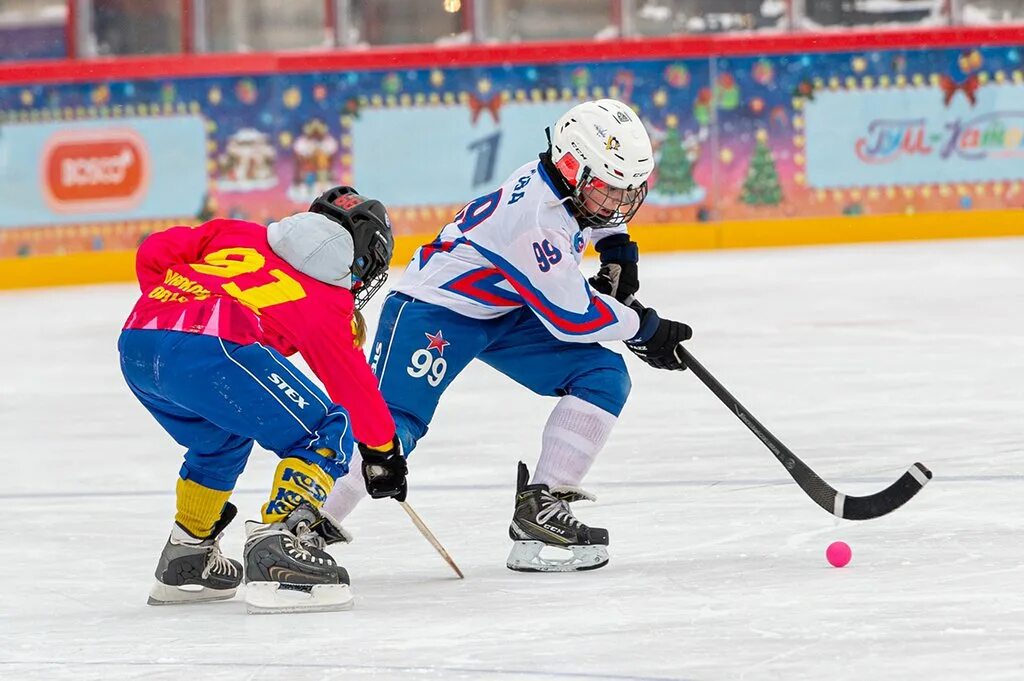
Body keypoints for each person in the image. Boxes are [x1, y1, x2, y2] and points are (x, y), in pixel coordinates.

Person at [323, 99, 692, 572]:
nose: (618, 203)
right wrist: (648, 329)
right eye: (608, 190)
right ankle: (308, 525)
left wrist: (617, 244)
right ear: (572, 165)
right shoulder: (533, 222)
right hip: (434, 312)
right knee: (392, 427)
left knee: (602, 375)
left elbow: (585, 234)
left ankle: (542, 503)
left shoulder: (564, 182)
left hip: (504, 308)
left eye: (626, 192)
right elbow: (572, 317)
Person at [118, 186, 399, 613]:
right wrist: (383, 453)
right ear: (360, 259)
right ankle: (278, 549)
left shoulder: (237, 232)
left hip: (138, 339)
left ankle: (188, 555)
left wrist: (177, 309)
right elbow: (353, 389)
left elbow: (154, 251)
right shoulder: (328, 299)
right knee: (326, 429)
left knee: (221, 441)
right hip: (215, 345)